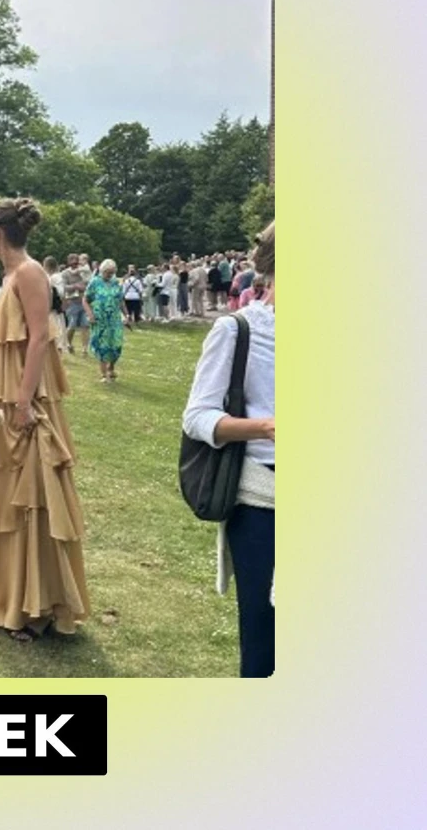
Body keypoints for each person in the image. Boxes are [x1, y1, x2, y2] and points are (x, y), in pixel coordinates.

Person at [0, 198, 89, 641]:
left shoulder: (30, 273)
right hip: (7, 401)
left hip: (25, 401)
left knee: (33, 497)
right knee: (5, 498)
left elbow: (38, 338)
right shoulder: (13, 276)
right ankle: (4, 593)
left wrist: (24, 401)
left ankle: (37, 606)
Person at [183, 221, 275, 678]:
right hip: (263, 504)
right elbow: (197, 417)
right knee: (265, 643)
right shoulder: (238, 330)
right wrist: (266, 428)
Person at [85, 258, 125, 381]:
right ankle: (104, 374)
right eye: (107, 272)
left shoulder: (116, 283)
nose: (110, 275)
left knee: (116, 345)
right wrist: (90, 314)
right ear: (102, 270)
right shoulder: (95, 282)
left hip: (114, 319)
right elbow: (85, 299)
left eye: (112, 272)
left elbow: (120, 300)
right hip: (99, 319)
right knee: (102, 346)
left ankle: (111, 368)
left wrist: (126, 315)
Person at [60, 253, 89, 354]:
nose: (75, 263)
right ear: (68, 262)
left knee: (85, 325)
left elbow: (88, 283)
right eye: (72, 261)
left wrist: (84, 287)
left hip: (83, 301)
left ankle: (85, 348)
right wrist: (75, 286)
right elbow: (64, 287)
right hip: (71, 302)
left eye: (76, 261)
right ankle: (68, 343)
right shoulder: (65, 273)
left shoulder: (83, 272)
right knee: (72, 325)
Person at [44, 256, 67, 352]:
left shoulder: (55, 277)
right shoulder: (50, 277)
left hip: (53, 307)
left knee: (57, 328)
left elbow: (60, 292)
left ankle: (58, 347)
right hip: (51, 307)